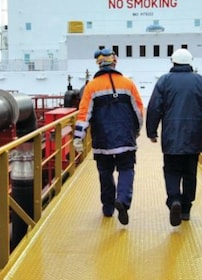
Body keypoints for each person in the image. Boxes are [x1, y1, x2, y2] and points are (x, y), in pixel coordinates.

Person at [146, 48, 202, 226]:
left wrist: (151, 131)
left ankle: (174, 201)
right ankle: (186, 209)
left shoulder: (164, 81)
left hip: (171, 136)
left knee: (171, 170)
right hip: (194, 136)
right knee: (190, 173)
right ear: (190, 62)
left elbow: (154, 107)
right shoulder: (201, 81)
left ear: (172, 62)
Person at [74, 48, 145, 225]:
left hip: (102, 139)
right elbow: (138, 111)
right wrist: (136, 130)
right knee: (126, 169)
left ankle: (107, 208)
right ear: (115, 62)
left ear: (98, 64)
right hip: (125, 138)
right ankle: (122, 199)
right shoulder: (128, 84)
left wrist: (78, 136)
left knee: (105, 173)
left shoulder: (91, 87)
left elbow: (84, 113)